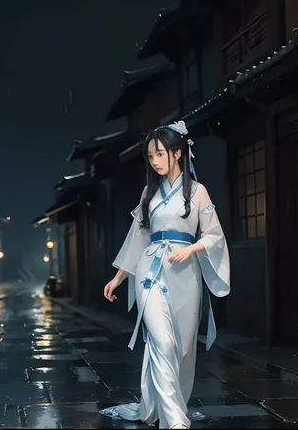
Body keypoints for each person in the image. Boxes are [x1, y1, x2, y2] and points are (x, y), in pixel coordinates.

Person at [100, 121, 230, 430]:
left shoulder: (198, 192)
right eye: (150, 156)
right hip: (151, 272)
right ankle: (175, 421)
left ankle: (163, 405)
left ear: (177, 153)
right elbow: (136, 239)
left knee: (182, 348)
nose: (155, 161)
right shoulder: (149, 193)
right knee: (161, 340)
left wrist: (192, 248)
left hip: (186, 274)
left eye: (160, 154)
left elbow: (214, 235)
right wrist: (118, 278)